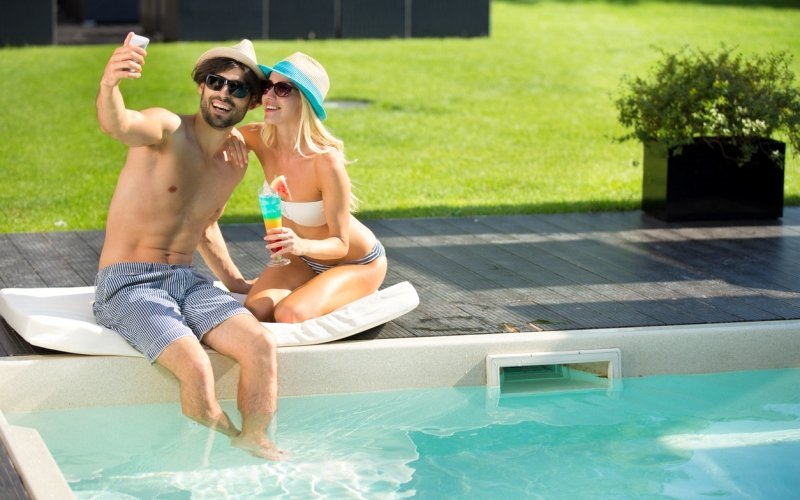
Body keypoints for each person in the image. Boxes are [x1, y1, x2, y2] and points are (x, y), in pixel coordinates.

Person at [93, 33, 285, 460]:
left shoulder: (233, 162)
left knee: (261, 346)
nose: (223, 93)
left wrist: (233, 279)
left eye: (238, 88)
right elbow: (118, 124)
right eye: (216, 81)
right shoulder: (166, 128)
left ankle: (255, 439)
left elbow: (204, 222)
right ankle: (230, 447)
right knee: (196, 367)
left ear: (251, 102)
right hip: (128, 283)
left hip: (186, 280)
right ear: (202, 84)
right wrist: (110, 85)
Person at [239, 53, 387, 322]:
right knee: (255, 311)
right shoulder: (258, 138)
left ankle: (343, 291)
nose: (269, 96)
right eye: (266, 87)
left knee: (288, 313)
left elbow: (341, 244)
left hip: (354, 262)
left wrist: (300, 245)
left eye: (282, 89)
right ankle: (313, 289)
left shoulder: (325, 162)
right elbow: (205, 135)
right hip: (302, 258)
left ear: (305, 101)